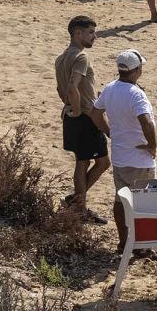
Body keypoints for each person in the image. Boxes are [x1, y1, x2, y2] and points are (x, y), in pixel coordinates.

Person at [92, 49, 155, 253]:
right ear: (137, 70)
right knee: (144, 204)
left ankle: (123, 242)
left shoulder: (109, 88)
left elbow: (95, 113)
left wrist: (110, 132)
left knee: (120, 200)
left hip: (120, 158)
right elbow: (146, 122)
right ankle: (141, 245)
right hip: (139, 160)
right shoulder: (136, 94)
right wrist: (152, 146)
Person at [54, 15, 108, 223]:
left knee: (85, 161)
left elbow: (61, 89)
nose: (95, 36)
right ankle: (78, 206)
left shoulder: (60, 58)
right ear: (78, 33)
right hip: (84, 117)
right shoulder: (81, 57)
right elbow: (71, 87)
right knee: (97, 162)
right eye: (91, 32)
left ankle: (76, 202)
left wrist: (69, 106)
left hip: (70, 115)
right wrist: (77, 110)